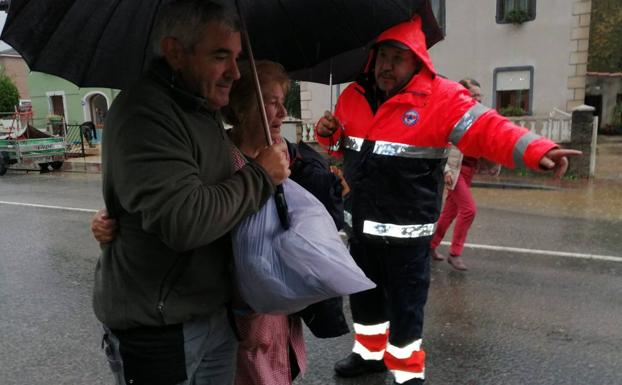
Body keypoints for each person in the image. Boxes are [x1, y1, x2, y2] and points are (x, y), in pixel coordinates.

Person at [315, 15, 580, 385]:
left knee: (407, 309)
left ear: (417, 61)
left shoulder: (441, 97)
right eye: (382, 57)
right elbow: (342, 149)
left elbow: (489, 129)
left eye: (397, 57)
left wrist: (537, 150)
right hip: (359, 228)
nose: (386, 67)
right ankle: (369, 354)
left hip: (408, 237)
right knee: (365, 299)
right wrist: (328, 134)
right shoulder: (352, 96)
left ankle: (407, 373)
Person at [92, 60, 348, 385]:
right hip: (234, 316)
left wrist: (331, 185)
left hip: (279, 310)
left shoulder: (293, 156)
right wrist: (107, 221)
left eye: (284, 101)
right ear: (241, 107)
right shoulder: (218, 157)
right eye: (271, 101)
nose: (283, 113)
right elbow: (171, 205)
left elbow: (326, 219)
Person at [93, 1, 289, 385]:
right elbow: (184, 220)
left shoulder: (201, 108)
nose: (234, 72)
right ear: (175, 52)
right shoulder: (145, 112)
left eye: (235, 57)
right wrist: (262, 176)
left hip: (211, 312)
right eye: (220, 56)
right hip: (159, 325)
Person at [429, 78, 486, 271]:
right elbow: (440, 144)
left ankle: (430, 245)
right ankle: (455, 253)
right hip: (455, 170)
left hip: (470, 170)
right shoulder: (454, 116)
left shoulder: (479, 116)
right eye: (473, 95)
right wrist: (445, 170)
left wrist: (493, 164)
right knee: (469, 210)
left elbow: (485, 143)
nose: (478, 99)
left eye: (480, 95)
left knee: (449, 213)